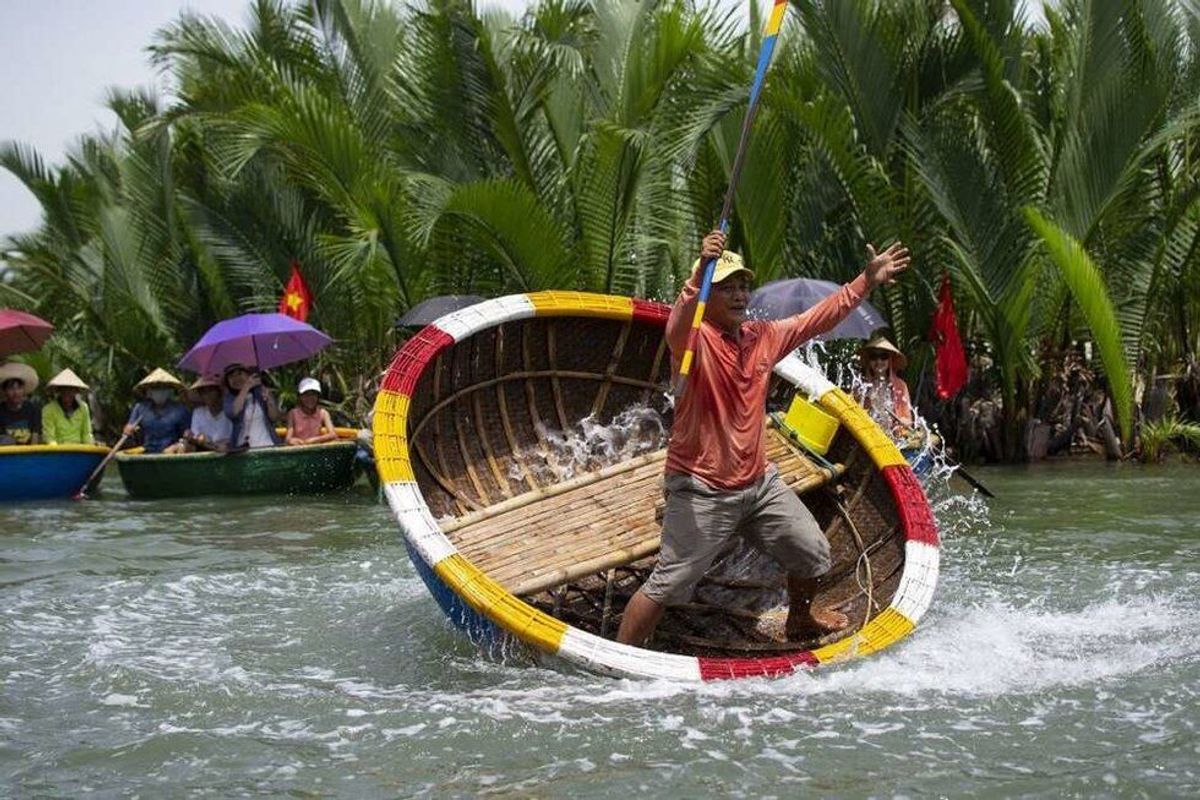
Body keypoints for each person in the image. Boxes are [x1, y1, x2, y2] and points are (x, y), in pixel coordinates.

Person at [615, 230, 911, 646]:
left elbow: (819, 317)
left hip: (758, 485)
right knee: (668, 583)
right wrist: (701, 268)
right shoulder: (694, 341)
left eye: (743, 287)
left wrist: (866, 279)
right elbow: (680, 318)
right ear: (707, 296)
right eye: (727, 288)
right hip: (701, 490)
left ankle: (799, 620)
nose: (739, 295)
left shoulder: (762, 337)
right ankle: (622, 659)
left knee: (814, 555)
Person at [855, 333, 914, 437]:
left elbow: (908, 419)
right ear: (869, 360)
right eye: (874, 357)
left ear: (889, 359)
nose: (879, 361)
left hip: (892, 437)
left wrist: (901, 422)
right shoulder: (861, 385)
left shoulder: (900, 386)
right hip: (867, 436)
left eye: (883, 356)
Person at [124, 368, 190, 454]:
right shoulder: (140, 408)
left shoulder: (180, 410)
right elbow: (129, 427)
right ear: (149, 391)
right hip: (146, 452)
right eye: (155, 387)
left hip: (170, 454)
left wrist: (178, 445)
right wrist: (128, 430)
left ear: (170, 390)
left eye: (163, 387)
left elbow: (187, 435)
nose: (159, 390)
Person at [223, 363, 281, 449]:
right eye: (231, 376)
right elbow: (233, 412)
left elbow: (274, 417)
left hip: (268, 445)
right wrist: (246, 387)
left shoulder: (259, 391)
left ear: (248, 375)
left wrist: (269, 400)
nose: (236, 378)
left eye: (240, 373)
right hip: (242, 450)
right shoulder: (229, 398)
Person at [41, 368, 95, 445]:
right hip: (58, 451)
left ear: (76, 391)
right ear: (58, 390)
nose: (67, 392)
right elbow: (49, 437)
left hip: (80, 451)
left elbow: (87, 434)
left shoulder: (83, 407)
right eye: (64, 388)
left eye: (70, 389)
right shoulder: (48, 409)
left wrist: (90, 448)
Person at [285, 377, 338, 446]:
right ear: (300, 397)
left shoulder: (323, 413)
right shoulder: (293, 414)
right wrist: (292, 440)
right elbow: (288, 438)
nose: (310, 398)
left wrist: (315, 440)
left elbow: (333, 434)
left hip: (315, 448)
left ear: (318, 396)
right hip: (298, 449)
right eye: (306, 395)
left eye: (313, 394)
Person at [184, 375, 232, 451]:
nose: (207, 395)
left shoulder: (229, 411)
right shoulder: (198, 412)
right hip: (204, 449)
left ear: (219, 392)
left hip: (228, 451)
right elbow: (196, 437)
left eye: (210, 390)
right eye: (203, 392)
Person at [0, 362, 42, 445]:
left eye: (19, 388)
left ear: (23, 390)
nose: (16, 392)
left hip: (28, 453)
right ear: (5, 391)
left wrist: (31, 455)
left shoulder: (33, 409)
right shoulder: (1, 410)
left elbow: (35, 434)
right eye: (11, 388)